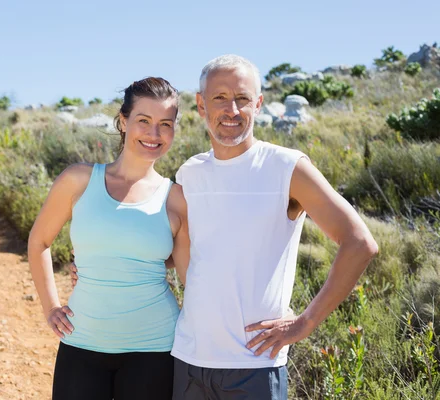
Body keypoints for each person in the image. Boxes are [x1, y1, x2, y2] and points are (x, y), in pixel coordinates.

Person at [168, 55, 379, 399]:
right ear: (201, 104)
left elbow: (360, 243)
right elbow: (186, 247)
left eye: (243, 98)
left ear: (259, 103)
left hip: (254, 364)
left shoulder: (286, 167)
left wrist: (305, 322)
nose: (231, 110)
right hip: (189, 358)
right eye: (219, 98)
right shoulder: (190, 172)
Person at [27, 77, 190, 400]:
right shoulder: (78, 180)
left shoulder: (177, 198)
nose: (154, 134)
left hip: (155, 347)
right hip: (82, 342)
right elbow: (39, 242)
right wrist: (50, 308)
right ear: (123, 121)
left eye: (165, 124)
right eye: (143, 121)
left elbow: (191, 279)